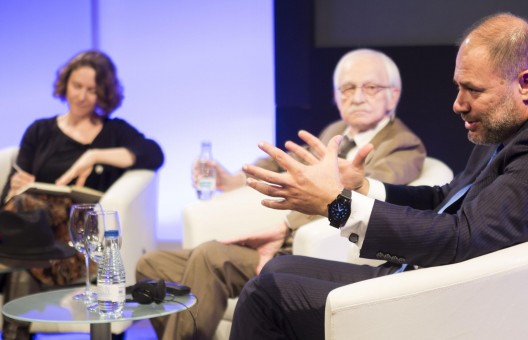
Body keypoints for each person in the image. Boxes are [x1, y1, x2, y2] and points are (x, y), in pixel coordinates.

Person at [229, 12, 528, 340]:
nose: (457, 104)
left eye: (473, 90)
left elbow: (462, 239)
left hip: (456, 309)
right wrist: (360, 188)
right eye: (457, 87)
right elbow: (447, 198)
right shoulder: (522, 125)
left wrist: (337, 205)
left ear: (526, 82)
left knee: (267, 294)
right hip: (434, 283)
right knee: (277, 271)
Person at [135, 48, 427, 340]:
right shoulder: (335, 131)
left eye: (372, 87)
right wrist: (231, 178)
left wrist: (288, 226)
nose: (359, 97)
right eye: (348, 88)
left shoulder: (401, 144)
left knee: (211, 257)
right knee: (152, 265)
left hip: (315, 251)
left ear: (394, 94)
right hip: (282, 240)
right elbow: (278, 161)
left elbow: (370, 196)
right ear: (336, 97)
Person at [0, 50, 164, 340]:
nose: (82, 96)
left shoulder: (115, 132)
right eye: (77, 86)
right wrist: (16, 187)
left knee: (23, 255)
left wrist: (95, 154)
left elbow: (153, 153)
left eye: (92, 90)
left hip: (81, 240)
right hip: (40, 233)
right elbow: (19, 180)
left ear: (104, 94)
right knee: (25, 211)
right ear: (65, 84)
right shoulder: (40, 131)